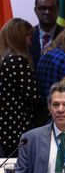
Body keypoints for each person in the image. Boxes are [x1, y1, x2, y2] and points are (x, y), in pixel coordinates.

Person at [0, 18, 38, 155]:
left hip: (6, 126)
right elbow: (32, 95)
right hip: (16, 127)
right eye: (28, 37)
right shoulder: (17, 60)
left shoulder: (5, 58)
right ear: (19, 38)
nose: (30, 42)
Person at [29, 0, 64, 68]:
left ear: (58, 10)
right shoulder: (27, 36)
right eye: (43, 8)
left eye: (51, 8)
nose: (47, 12)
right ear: (35, 10)